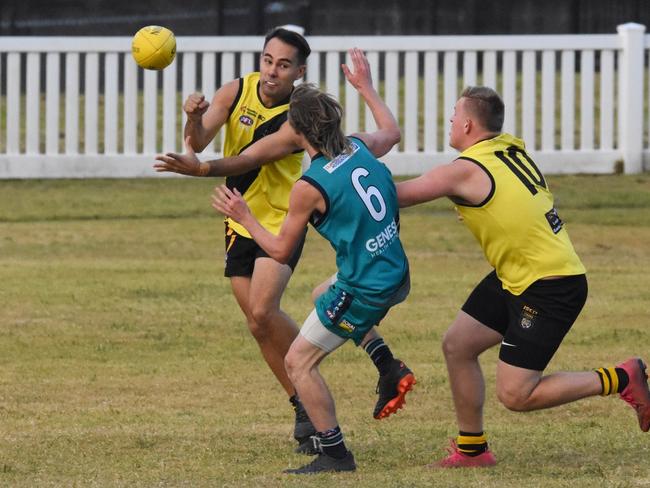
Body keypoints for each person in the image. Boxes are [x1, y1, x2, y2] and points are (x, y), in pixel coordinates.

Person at [153, 31, 415, 454]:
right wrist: (193, 129)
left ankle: (322, 409)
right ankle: (304, 405)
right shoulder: (243, 93)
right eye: (267, 60)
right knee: (259, 323)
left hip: (279, 222)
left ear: (299, 72)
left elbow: (251, 158)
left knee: (266, 313)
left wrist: (205, 176)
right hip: (244, 219)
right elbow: (210, 143)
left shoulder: (303, 135)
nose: (272, 71)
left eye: (283, 64)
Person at [395, 85, 650, 468]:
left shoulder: (465, 169)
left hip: (549, 285)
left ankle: (621, 377)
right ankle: (472, 451)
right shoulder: (509, 147)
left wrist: (347, 169)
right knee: (458, 345)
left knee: (516, 395)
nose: (449, 121)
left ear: (466, 123)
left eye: (453, 114)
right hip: (518, 273)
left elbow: (399, 194)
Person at [212, 64, 412, 473]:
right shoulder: (357, 145)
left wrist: (245, 216)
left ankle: (335, 453)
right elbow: (391, 131)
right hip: (395, 270)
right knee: (321, 293)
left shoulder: (309, 186)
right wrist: (367, 89)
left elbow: (281, 251)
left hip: (366, 287)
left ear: (297, 131)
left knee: (298, 363)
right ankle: (387, 366)